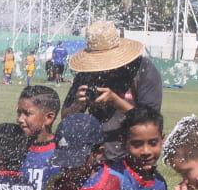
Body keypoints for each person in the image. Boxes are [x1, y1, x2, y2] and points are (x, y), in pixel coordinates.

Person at [63, 21, 163, 162]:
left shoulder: (143, 70)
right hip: (96, 155)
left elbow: (151, 122)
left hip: (133, 157)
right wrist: (77, 106)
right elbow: (66, 118)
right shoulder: (87, 73)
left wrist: (116, 101)